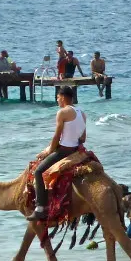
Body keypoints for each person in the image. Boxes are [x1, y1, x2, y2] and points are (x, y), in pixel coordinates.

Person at [28, 86, 86, 221]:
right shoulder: (82, 113)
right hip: (76, 150)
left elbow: (57, 135)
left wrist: (48, 150)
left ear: (64, 97)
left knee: (38, 171)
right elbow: (83, 138)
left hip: (64, 151)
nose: (57, 101)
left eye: (58, 98)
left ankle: (40, 208)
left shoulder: (62, 112)